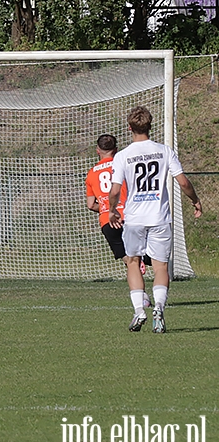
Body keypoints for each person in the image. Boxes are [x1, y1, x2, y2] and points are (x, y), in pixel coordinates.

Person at [109, 106, 202, 333]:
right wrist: (195, 200)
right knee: (160, 266)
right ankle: (158, 308)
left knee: (132, 262)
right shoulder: (164, 151)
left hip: (134, 218)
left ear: (129, 127)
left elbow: (114, 190)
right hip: (160, 218)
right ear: (150, 126)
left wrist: (112, 209)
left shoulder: (123, 155)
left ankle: (139, 310)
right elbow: (183, 183)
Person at [85, 134, 151, 303]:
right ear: (116, 150)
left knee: (129, 261)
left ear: (97, 151)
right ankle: (145, 258)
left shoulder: (92, 173)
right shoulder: (124, 164)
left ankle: (142, 298)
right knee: (141, 255)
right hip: (130, 216)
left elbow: (91, 204)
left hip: (108, 220)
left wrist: (107, 208)